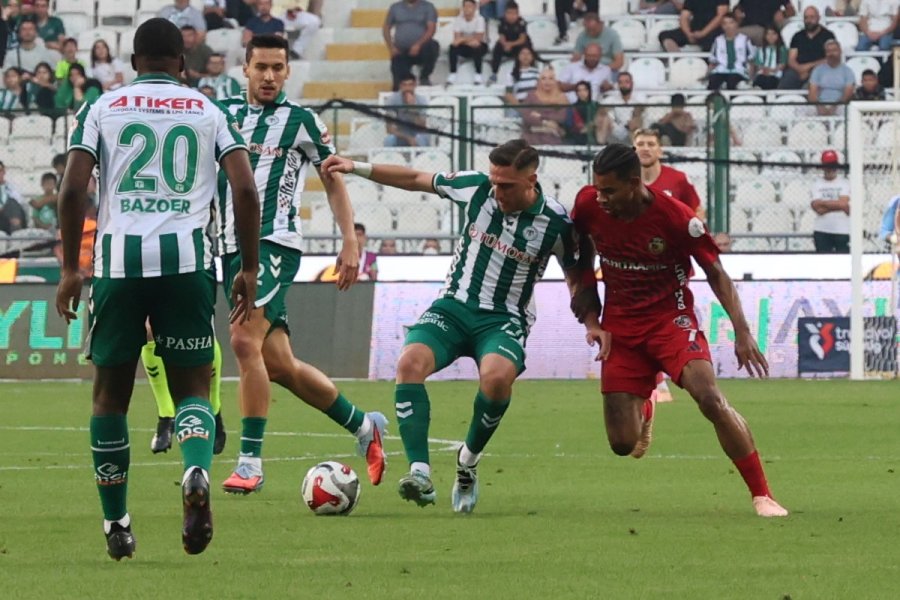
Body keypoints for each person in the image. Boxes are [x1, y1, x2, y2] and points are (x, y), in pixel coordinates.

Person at [54, 18, 260, 559]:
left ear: (134, 62)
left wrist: (72, 268)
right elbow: (244, 187)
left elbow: (74, 186)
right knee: (194, 388)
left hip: (119, 265)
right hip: (187, 263)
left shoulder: (102, 107)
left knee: (109, 397)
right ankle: (194, 471)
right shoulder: (208, 111)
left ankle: (117, 523)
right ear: (182, 63)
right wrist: (249, 267)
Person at [321, 138, 581, 513]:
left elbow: (577, 278)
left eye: (506, 185)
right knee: (409, 363)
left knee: (495, 379)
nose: (497, 191)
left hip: (503, 319)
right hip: (453, 307)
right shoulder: (476, 188)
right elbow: (415, 177)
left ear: (531, 180)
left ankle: (467, 463)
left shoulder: (556, 224)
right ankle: (420, 472)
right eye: (494, 182)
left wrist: (592, 321)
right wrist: (356, 166)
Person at [567, 143, 788, 518]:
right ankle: (648, 403)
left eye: (609, 191)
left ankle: (762, 495)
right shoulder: (588, 205)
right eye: (597, 189)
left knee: (709, 398)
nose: (600, 198)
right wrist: (592, 313)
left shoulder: (676, 218)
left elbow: (716, 272)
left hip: (671, 318)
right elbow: (579, 257)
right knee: (622, 444)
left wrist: (742, 331)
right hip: (621, 327)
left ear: (634, 184)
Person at [218, 35, 387, 494]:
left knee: (241, 339)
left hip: (274, 243)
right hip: (226, 247)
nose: (269, 76)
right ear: (246, 70)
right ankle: (363, 426)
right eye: (261, 67)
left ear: (288, 71)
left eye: (277, 67)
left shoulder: (301, 122)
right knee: (279, 365)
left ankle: (250, 461)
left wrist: (349, 241)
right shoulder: (222, 116)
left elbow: (333, 181)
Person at [634, 128, 702, 214]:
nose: (645, 148)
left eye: (651, 144)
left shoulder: (678, 179)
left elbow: (696, 211)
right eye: (640, 144)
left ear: (660, 151)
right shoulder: (625, 181)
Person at [384, 0, 440, 89]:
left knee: (433, 46)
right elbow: (386, 28)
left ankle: (424, 77)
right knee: (396, 64)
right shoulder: (395, 7)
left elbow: (431, 29)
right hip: (401, 50)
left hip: (422, 49)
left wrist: (418, 44)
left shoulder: (428, 7)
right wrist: (391, 47)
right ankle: (398, 90)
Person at [779, 6, 834, 89]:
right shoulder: (797, 36)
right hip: (797, 71)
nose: (809, 21)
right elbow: (791, 59)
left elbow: (830, 58)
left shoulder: (828, 36)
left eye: (812, 17)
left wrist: (807, 69)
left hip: (819, 71)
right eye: (806, 18)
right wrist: (800, 70)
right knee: (786, 82)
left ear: (818, 18)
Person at [810, 149, 850, 253]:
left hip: (842, 230)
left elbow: (844, 205)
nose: (830, 169)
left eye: (832, 165)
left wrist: (823, 203)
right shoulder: (817, 184)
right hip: (822, 230)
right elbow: (818, 209)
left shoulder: (844, 183)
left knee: (843, 262)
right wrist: (838, 205)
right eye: (828, 166)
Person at [520, 66, 569, 145]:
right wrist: (545, 122)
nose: (547, 82)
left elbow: (561, 117)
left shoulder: (562, 97)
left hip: (553, 136)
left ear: (555, 81)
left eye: (551, 78)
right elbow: (527, 116)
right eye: (543, 78)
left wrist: (539, 116)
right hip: (531, 136)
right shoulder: (531, 95)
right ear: (539, 81)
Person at [707, 12, 755, 90]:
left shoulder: (745, 40)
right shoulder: (718, 40)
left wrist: (751, 79)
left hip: (738, 71)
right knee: (713, 82)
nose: (728, 26)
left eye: (731, 23)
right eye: (725, 23)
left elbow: (751, 61)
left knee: (732, 81)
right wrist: (706, 75)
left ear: (736, 24)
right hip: (721, 70)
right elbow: (713, 62)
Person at [659, 0, 729, 53]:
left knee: (713, 42)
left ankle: (706, 66)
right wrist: (688, 33)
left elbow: (721, 15)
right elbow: (684, 17)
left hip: (713, 30)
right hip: (695, 29)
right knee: (665, 35)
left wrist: (703, 33)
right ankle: (679, 60)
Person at [808, 40, 854, 116]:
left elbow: (848, 94)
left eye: (834, 50)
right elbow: (812, 94)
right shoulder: (818, 70)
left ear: (840, 51)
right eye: (828, 51)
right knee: (809, 109)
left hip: (839, 105)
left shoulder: (847, 71)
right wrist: (820, 107)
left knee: (845, 110)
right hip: (820, 104)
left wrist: (834, 106)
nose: (831, 54)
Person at [447, 0, 488, 86]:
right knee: (452, 47)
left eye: (469, 6)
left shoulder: (480, 19)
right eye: (465, 6)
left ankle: (478, 74)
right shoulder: (458, 19)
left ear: (474, 8)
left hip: (479, 45)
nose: (467, 9)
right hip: (465, 45)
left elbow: (478, 38)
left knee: (477, 47)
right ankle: (453, 73)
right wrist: (468, 41)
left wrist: (462, 39)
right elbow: (456, 38)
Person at [489, 1, 530, 84]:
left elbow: (522, 39)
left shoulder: (521, 22)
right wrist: (505, 44)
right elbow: (501, 36)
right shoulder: (502, 21)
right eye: (509, 13)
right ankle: (494, 73)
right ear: (505, 13)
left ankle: (516, 75)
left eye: (514, 13)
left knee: (524, 49)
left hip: (517, 45)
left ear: (518, 14)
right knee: (497, 48)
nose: (511, 16)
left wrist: (511, 44)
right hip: (506, 45)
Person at [384, 73, 430, 147]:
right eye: (404, 85)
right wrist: (408, 138)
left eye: (410, 85)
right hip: (400, 135)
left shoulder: (421, 100)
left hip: (417, 134)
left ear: (415, 85)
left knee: (422, 138)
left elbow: (422, 126)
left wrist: (412, 108)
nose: (407, 88)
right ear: (400, 86)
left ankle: (422, 158)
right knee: (389, 140)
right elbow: (389, 129)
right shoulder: (392, 100)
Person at [606, 71, 646, 143]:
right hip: (616, 131)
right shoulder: (612, 99)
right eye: (620, 82)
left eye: (626, 82)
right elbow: (602, 110)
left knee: (636, 121)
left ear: (632, 83)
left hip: (632, 131)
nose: (623, 85)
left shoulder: (639, 98)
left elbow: (640, 109)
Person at [751, 26, 787, 90]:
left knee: (770, 81)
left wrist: (772, 70)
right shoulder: (761, 49)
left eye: (773, 34)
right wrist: (764, 69)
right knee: (760, 80)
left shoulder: (782, 49)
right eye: (768, 34)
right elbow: (758, 64)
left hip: (775, 75)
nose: (771, 36)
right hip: (762, 73)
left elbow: (783, 64)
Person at [0, 161, 26, 233]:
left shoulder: (12, 187)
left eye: (0, 170)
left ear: (4, 171)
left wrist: (4, 208)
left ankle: (15, 232)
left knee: (12, 203)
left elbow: (20, 202)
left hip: (10, 216)